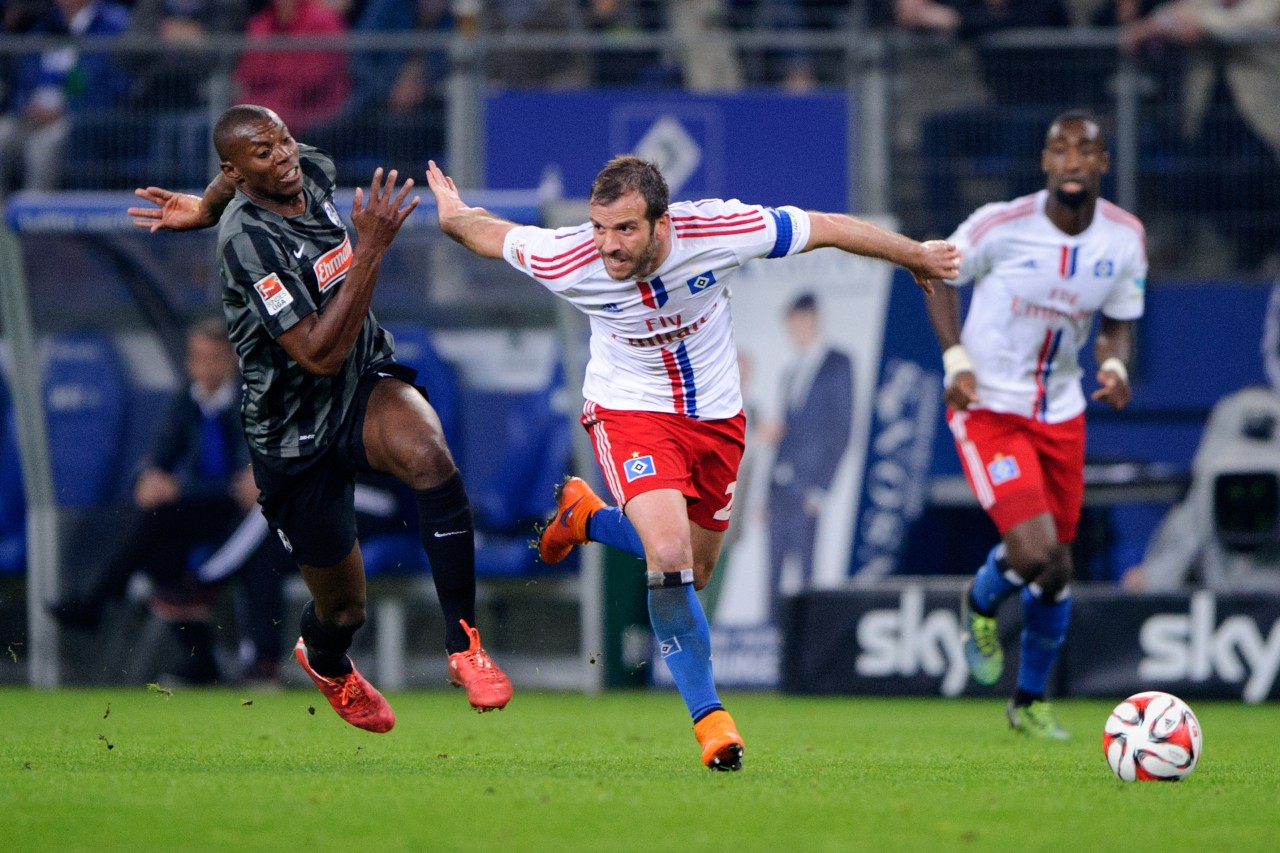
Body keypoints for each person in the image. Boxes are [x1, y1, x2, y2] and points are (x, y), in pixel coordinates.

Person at [424, 153, 961, 769]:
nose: (609, 246)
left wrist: (915, 254)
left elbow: (828, 226)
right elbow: (493, 236)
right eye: (600, 227)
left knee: (698, 570)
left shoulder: (718, 231)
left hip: (717, 422)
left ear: (662, 222)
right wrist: (455, 215)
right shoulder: (568, 257)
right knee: (671, 559)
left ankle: (588, 518)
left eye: (625, 229)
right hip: (631, 413)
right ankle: (712, 722)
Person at [127, 104, 511, 732]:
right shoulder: (247, 242)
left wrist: (204, 202)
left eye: (283, 142)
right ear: (236, 170)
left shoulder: (308, 169)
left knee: (429, 456)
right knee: (342, 613)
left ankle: (464, 645)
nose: (283, 158)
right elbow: (318, 354)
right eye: (264, 154)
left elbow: (346, 360)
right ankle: (327, 663)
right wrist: (370, 251)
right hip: (291, 426)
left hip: (363, 383)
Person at [923, 111, 1147, 739]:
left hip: (1062, 412)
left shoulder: (1125, 237)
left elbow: (1117, 323)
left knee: (1056, 569)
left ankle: (1028, 703)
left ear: (1103, 163)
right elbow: (935, 270)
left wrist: (1115, 366)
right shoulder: (1002, 224)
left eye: (1086, 151)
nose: (1072, 161)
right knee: (1034, 550)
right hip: (988, 406)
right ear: (1046, 162)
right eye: (1060, 150)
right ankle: (981, 599)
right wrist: (955, 357)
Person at [47, 318, 289, 685]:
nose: (204, 368)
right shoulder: (185, 400)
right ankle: (200, 659)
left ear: (231, 361)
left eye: (213, 359)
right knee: (155, 537)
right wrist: (147, 477)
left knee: (168, 531)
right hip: (204, 507)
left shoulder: (251, 403)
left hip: (247, 517)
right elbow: (155, 455)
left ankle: (97, 600)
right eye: (197, 358)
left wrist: (179, 488)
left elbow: (247, 484)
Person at [1119, 0, 1280, 272]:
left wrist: (1196, 24)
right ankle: (1221, 258)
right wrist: (1157, 23)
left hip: (1260, 120)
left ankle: (1259, 257)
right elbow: (1174, 13)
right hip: (1207, 119)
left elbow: (1250, 21)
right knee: (1195, 182)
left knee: (1252, 181)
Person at [765, 292, 853, 619]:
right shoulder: (790, 372)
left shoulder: (837, 365)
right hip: (779, 490)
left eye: (797, 324)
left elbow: (841, 430)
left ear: (811, 320)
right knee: (771, 577)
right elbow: (786, 435)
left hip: (807, 489)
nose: (794, 332)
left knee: (805, 574)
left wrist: (820, 487)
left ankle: (805, 650)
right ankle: (773, 643)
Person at [0, 0, 132, 194]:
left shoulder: (112, 24)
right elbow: (23, 80)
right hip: (31, 116)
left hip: (78, 120)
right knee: (3, 134)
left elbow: (109, 86)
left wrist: (67, 110)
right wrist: (25, 106)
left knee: (44, 146)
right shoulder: (46, 24)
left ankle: (34, 216)